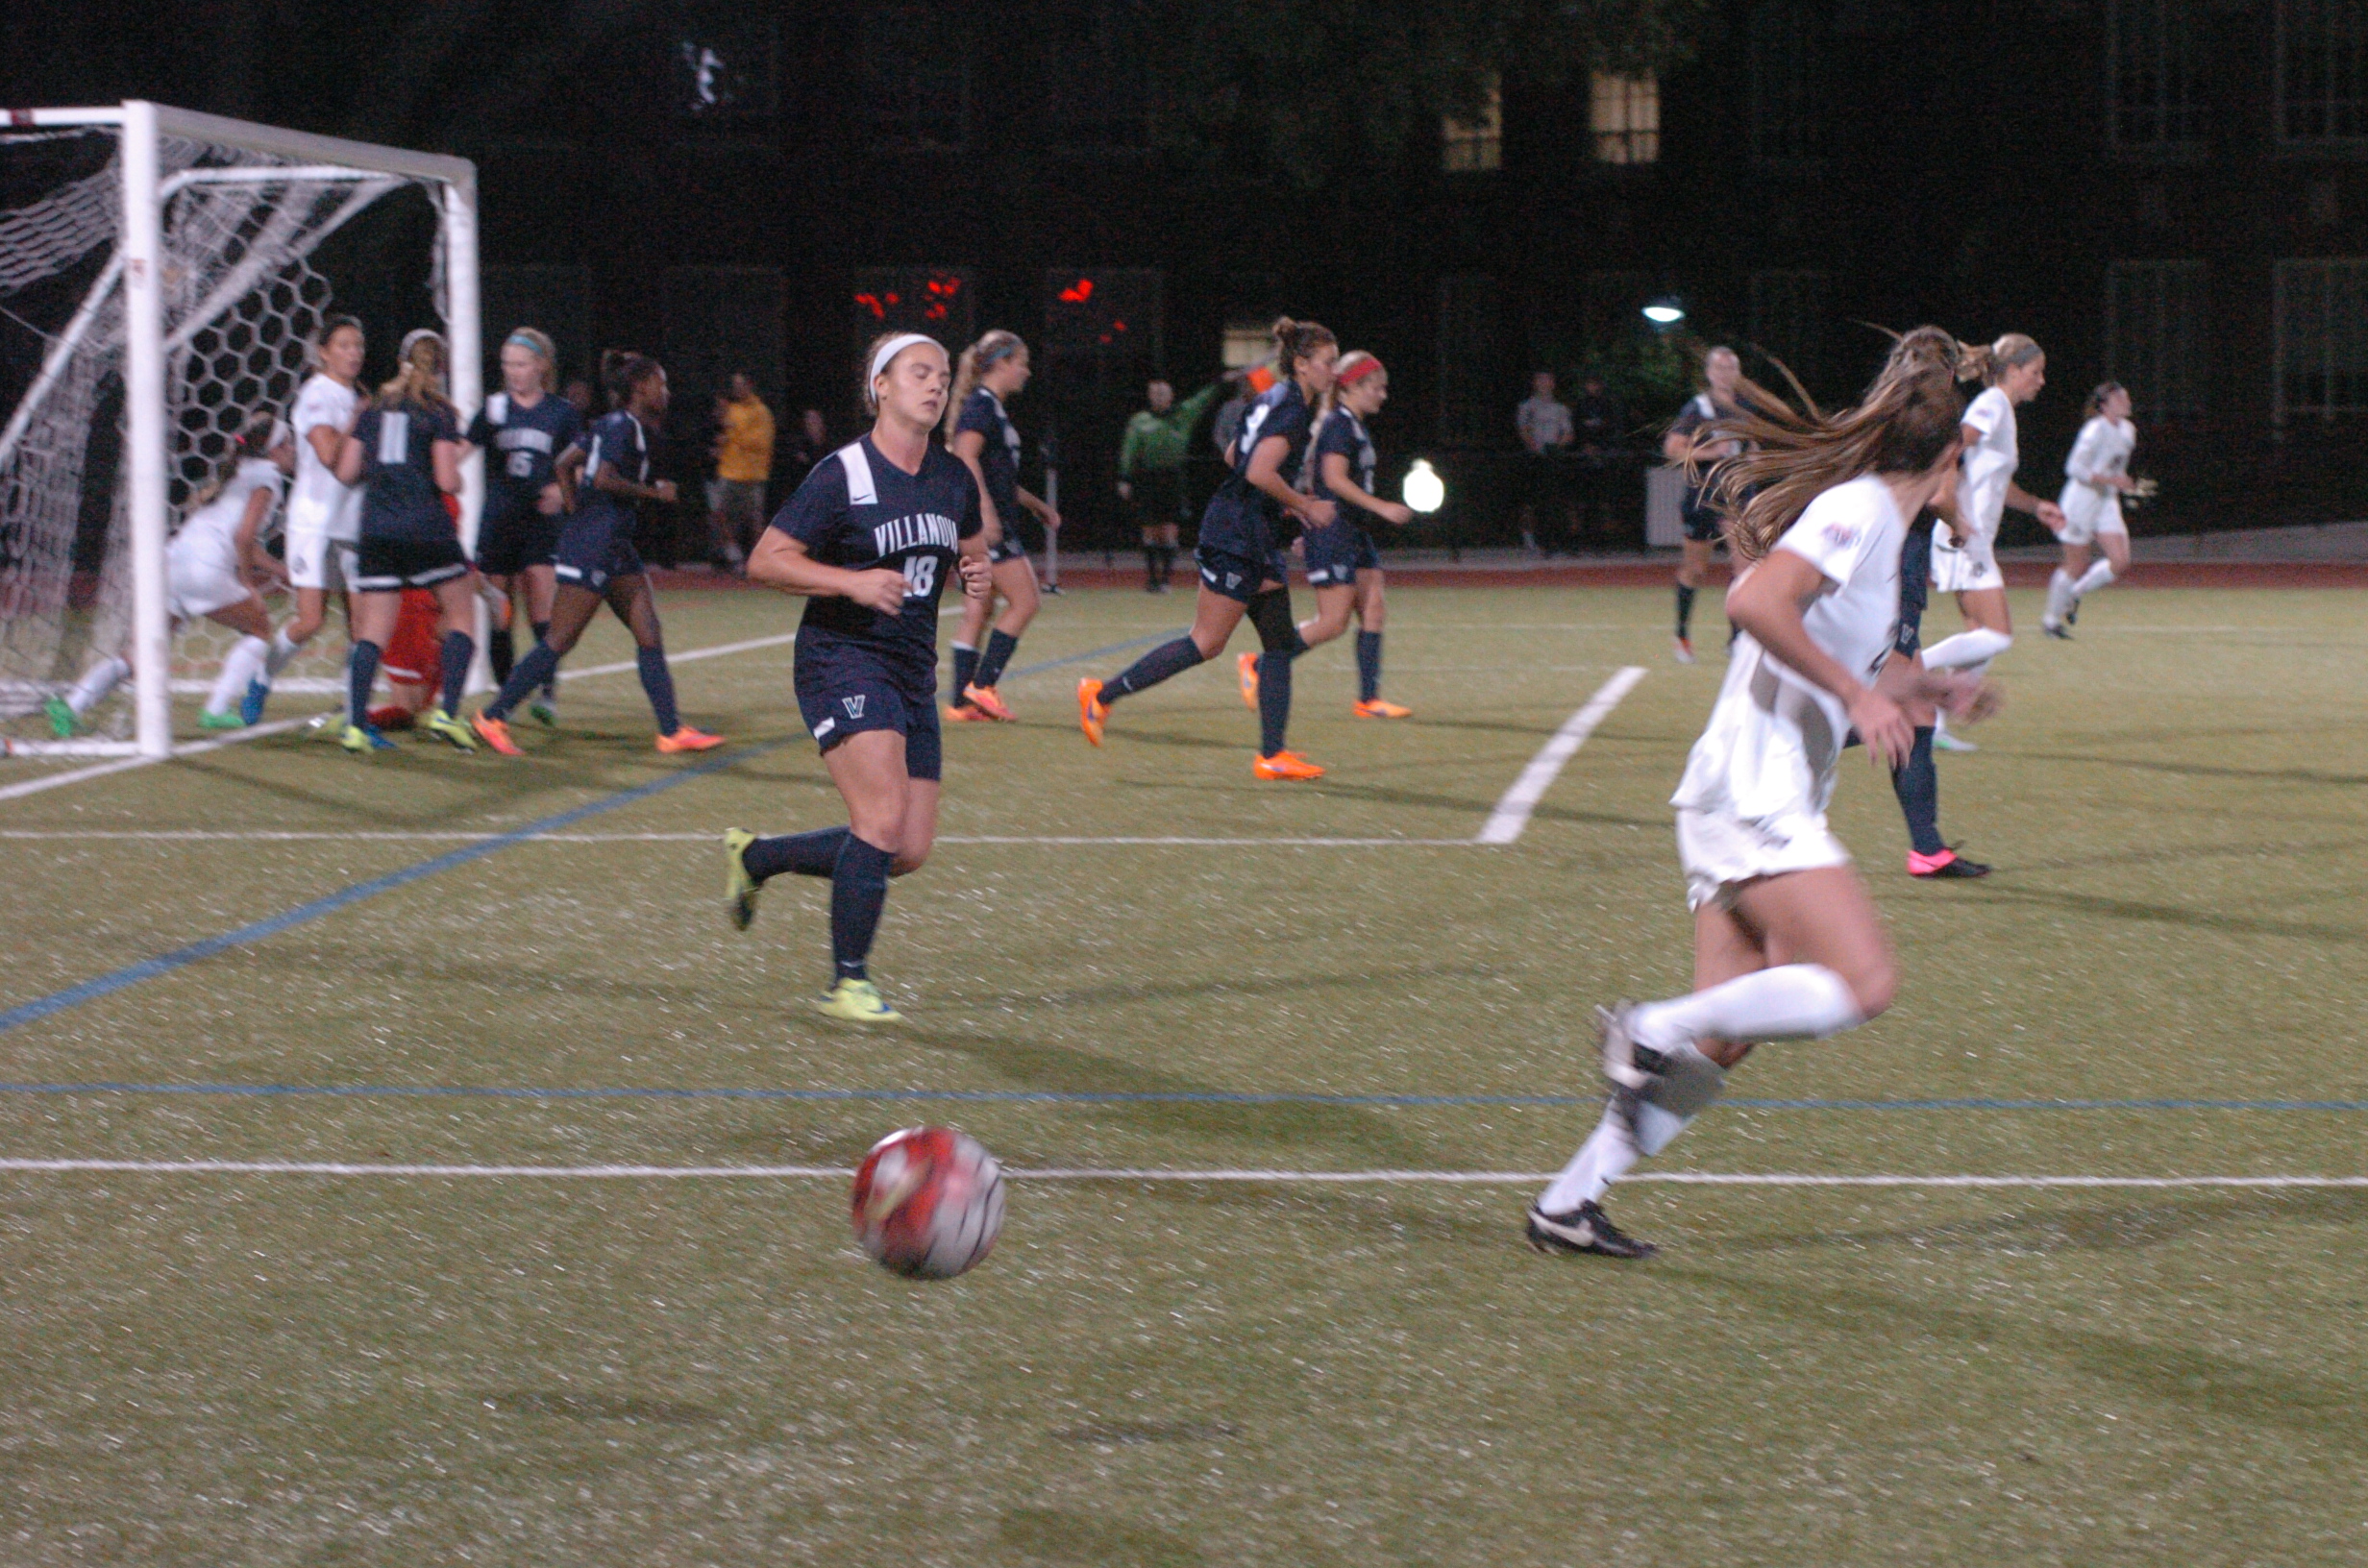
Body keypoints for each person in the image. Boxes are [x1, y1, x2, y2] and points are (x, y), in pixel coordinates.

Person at [1525, 327, 2001, 1261]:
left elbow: (1849, 649)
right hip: (1755, 791)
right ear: (1950, 454)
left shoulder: (1881, 529)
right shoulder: (1861, 507)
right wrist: (1858, 696)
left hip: (1737, 793)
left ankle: (1569, 1201)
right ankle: (1647, 1025)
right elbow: (1754, 603)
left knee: (1725, 1037)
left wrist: (1929, 688)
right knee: (1863, 983)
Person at [725, 331, 991, 1023]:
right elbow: (766, 559)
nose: (935, 385)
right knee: (879, 819)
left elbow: (971, 547)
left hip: (910, 669)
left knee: (907, 849)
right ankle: (848, 983)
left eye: (942, 376)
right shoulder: (843, 473)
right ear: (881, 387)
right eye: (919, 373)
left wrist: (976, 571)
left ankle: (760, 857)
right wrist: (851, 582)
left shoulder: (953, 476)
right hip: (841, 657)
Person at [1077, 318, 1338, 780]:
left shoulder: (1272, 397)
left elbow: (1235, 454)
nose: (1333, 371)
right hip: (1235, 535)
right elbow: (1257, 471)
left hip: (1250, 530)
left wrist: (1275, 504)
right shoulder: (1293, 408)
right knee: (1206, 643)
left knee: (1279, 644)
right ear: (1301, 364)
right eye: (1327, 362)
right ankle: (1100, 695)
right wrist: (1303, 505)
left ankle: (1272, 755)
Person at [470, 352, 726, 756]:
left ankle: (671, 731)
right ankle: (492, 716)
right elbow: (604, 478)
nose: (666, 392)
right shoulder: (624, 427)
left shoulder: (613, 424)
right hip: (595, 547)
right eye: (660, 384)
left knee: (648, 631)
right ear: (640, 388)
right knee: (559, 639)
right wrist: (653, 493)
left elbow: (563, 464)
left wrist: (576, 510)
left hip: (613, 545)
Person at [44, 414, 297, 736]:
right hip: (204, 568)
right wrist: (248, 582)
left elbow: (239, 537)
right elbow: (244, 537)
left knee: (140, 654)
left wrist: (279, 571)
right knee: (259, 629)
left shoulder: (240, 471)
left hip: (172, 562)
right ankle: (216, 709)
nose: (293, 450)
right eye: (288, 443)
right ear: (274, 449)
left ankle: (71, 705)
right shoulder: (268, 477)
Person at [332, 330, 478, 756]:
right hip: (426, 528)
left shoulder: (372, 408)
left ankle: (355, 728)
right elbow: (446, 480)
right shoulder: (439, 411)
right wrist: (457, 478)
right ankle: (448, 715)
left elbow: (345, 472)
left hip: (377, 529)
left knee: (372, 632)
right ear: (440, 368)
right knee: (461, 619)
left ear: (401, 361)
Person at [1920, 332, 2064, 750]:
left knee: (1979, 646)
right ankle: (1910, 668)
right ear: (2014, 370)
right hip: (1963, 537)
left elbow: (1993, 479)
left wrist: (2036, 506)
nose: (2041, 381)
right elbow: (1952, 445)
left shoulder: (2003, 411)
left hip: (1971, 538)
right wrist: (1951, 509)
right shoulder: (1993, 404)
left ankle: (1934, 728)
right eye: (2036, 372)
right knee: (1998, 636)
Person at [250, 314, 365, 720]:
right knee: (310, 620)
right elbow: (330, 455)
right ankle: (262, 677)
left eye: (358, 345)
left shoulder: (358, 398)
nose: (354, 353)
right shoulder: (317, 395)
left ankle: (353, 713)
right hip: (314, 523)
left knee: (362, 627)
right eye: (344, 345)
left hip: (353, 523)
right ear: (323, 353)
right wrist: (362, 421)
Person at [1289, 351, 1415, 718]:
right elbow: (1333, 480)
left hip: (1354, 531)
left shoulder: (1354, 424)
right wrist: (1382, 507)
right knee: (1332, 623)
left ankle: (1368, 700)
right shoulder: (1339, 425)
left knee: (1374, 609)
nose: (1383, 395)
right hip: (1334, 531)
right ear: (1352, 386)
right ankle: (1262, 662)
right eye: (1377, 387)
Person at [463, 326, 580, 724]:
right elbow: (461, 449)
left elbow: (579, 467)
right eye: (507, 365)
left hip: (540, 524)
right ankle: (505, 697)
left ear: (541, 366)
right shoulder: (495, 408)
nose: (513, 372)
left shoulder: (561, 412)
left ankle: (547, 694)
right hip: (499, 521)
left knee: (541, 607)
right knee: (500, 614)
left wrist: (562, 491)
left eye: (521, 364)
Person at [942, 331, 1058, 723]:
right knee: (1026, 602)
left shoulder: (989, 406)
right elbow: (965, 456)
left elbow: (999, 478)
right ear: (1002, 364)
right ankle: (983, 686)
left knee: (978, 610)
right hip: (983, 525)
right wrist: (985, 512)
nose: (1026, 372)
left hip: (973, 523)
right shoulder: (982, 405)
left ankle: (961, 703)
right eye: (1021, 363)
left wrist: (1035, 504)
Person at [1661, 346, 1747, 664]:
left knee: (1743, 567)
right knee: (1696, 570)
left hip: (1737, 495)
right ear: (1709, 373)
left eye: (1731, 367)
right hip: (1702, 496)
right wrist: (1711, 453)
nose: (1725, 374)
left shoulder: (1746, 408)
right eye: (1719, 368)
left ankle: (1737, 639)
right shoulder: (1698, 408)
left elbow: (1754, 445)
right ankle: (1682, 635)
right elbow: (1673, 449)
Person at [2042, 381, 2139, 638]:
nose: (2127, 402)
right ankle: (2050, 622)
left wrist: (2123, 481)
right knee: (2075, 564)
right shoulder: (2094, 430)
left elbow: (2115, 468)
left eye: (2126, 397)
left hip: (2106, 500)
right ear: (2104, 405)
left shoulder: (2128, 430)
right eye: (2120, 398)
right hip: (2081, 501)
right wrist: (2111, 480)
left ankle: (2075, 593)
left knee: (2120, 561)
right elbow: (2074, 467)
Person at [1119, 376, 1225, 592]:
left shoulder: (1183, 414)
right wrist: (1125, 477)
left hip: (1173, 476)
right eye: (1155, 393)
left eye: (1163, 393)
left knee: (1169, 529)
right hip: (1148, 477)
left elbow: (1203, 397)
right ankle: (1152, 579)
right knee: (1149, 529)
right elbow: (1129, 450)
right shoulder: (1140, 420)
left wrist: (1221, 382)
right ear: (1149, 396)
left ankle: (1166, 580)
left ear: (1171, 396)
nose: (1158, 397)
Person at [709, 371, 776, 572]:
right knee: (720, 515)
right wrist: (721, 444)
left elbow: (761, 443)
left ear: (749, 385)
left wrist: (734, 432)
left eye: (740, 384)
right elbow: (725, 436)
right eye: (734, 385)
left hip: (752, 476)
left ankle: (759, 563)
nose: (737, 389)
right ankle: (734, 555)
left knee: (754, 522)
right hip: (728, 472)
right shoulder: (732, 409)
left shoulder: (762, 412)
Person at [1516, 370, 1575, 553]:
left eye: (1547, 380)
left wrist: (1556, 448)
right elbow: (1524, 430)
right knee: (1533, 500)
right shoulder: (1527, 406)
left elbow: (1568, 433)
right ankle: (1531, 538)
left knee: (1556, 499)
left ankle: (1556, 539)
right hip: (1535, 458)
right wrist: (1535, 448)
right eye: (1540, 380)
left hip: (1554, 458)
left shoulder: (1560, 408)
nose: (1544, 384)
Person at [1571, 374, 1628, 548]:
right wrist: (1585, 446)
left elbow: (1613, 428)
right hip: (1583, 459)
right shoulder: (1580, 405)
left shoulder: (1608, 405)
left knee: (1604, 500)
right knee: (1583, 500)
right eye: (1589, 383)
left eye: (1595, 384)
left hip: (1604, 458)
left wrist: (1601, 448)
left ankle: (1603, 540)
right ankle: (1582, 539)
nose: (1593, 387)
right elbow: (1576, 428)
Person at [785, 407, 830, 480]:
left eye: (814, 418)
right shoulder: (799, 443)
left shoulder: (830, 442)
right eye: (808, 418)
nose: (811, 421)